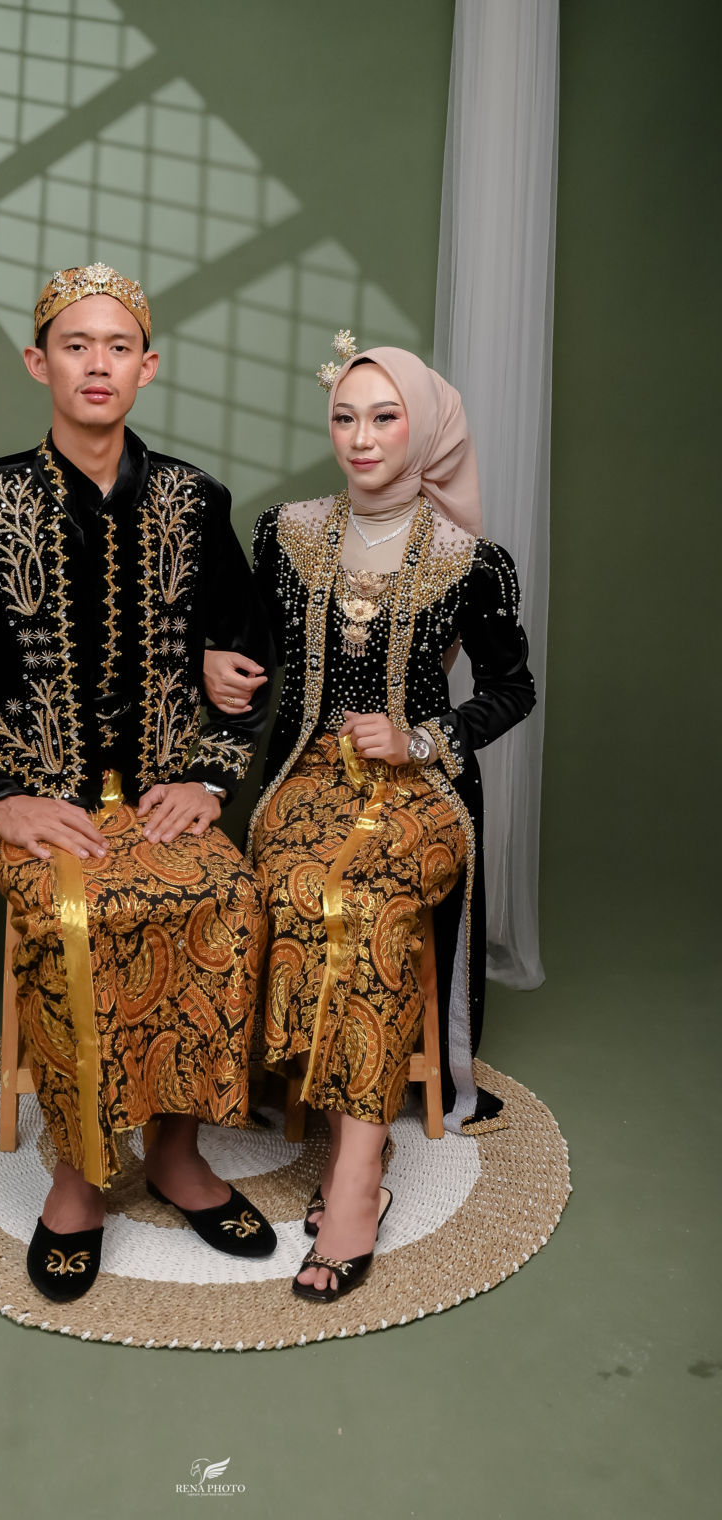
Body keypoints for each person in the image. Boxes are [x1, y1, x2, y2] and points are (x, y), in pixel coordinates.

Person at [0, 262, 277, 1304]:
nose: (97, 364)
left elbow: (249, 655)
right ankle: (79, 1175)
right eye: (74, 345)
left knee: (228, 897)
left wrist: (210, 778)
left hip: (161, 798)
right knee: (76, 918)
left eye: (118, 347)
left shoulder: (195, 500)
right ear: (37, 362)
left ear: (148, 366)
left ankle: (178, 1154)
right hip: (31, 798)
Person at [205, 340, 535, 1301]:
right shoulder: (286, 534)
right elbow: (248, 651)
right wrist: (216, 663)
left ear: (424, 429)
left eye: (385, 417)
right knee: (303, 886)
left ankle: (356, 1177)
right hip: (303, 780)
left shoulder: (471, 560)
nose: (361, 437)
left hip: (420, 792)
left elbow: (514, 688)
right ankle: (333, 1117)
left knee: (375, 900)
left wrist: (423, 736)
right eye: (346, 416)